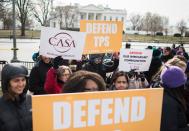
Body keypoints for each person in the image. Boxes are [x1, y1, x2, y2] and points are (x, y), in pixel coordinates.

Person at [0, 63, 32, 131]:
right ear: (7, 83)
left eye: (23, 80)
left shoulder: (30, 100)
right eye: (16, 80)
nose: (21, 84)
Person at [160, 66, 189, 131]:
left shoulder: (169, 94)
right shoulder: (168, 104)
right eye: (183, 84)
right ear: (178, 86)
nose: (184, 87)